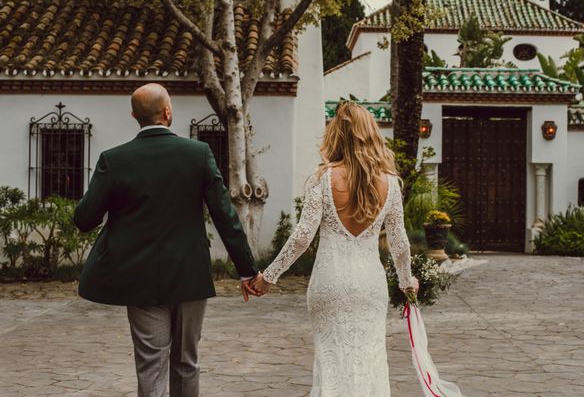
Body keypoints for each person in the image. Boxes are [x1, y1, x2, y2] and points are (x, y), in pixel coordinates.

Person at [74, 83, 260, 397]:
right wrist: (247, 271)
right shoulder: (198, 154)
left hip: (138, 277)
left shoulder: (114, 160)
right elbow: (225, 215)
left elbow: (84, 219)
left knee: (150, 363)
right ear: (168, 111)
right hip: (189, 275)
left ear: (134, 115)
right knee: (186, 360)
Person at [252, 100, 419, 396]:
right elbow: (399, 243)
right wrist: (408, 283)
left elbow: (303, 235)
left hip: (330, 282)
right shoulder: (391, 184)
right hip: (370, 285)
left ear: (336, 136)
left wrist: (269, 276)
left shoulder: (322, 179)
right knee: (370, 358)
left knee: (331, 360)